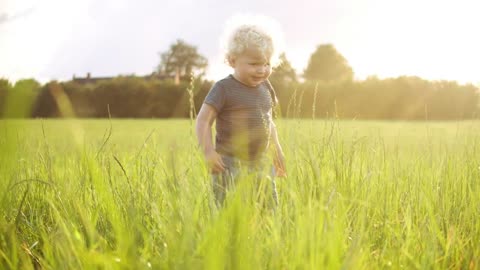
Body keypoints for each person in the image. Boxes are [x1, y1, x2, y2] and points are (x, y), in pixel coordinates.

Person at [195, 19, 286, 206]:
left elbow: (268, 121)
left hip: (261, 161)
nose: (262, 70)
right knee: (227, 210)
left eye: (267, 63)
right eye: (254, 64)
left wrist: (276, 148)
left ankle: (267, 235)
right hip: (229, 163)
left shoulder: (266, 87)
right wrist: (208, 152)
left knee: (268, 208)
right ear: (232, 61)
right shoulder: (223, 88)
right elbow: (203, 121)